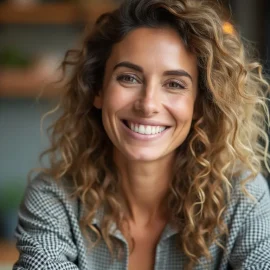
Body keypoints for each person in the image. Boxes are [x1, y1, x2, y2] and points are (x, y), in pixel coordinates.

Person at [13, 0, 270, 269]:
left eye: (174, 84)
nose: (148, 105)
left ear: (198, 104)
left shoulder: (242, 199)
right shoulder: (54, 200)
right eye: (129, 78)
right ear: (98, 90)